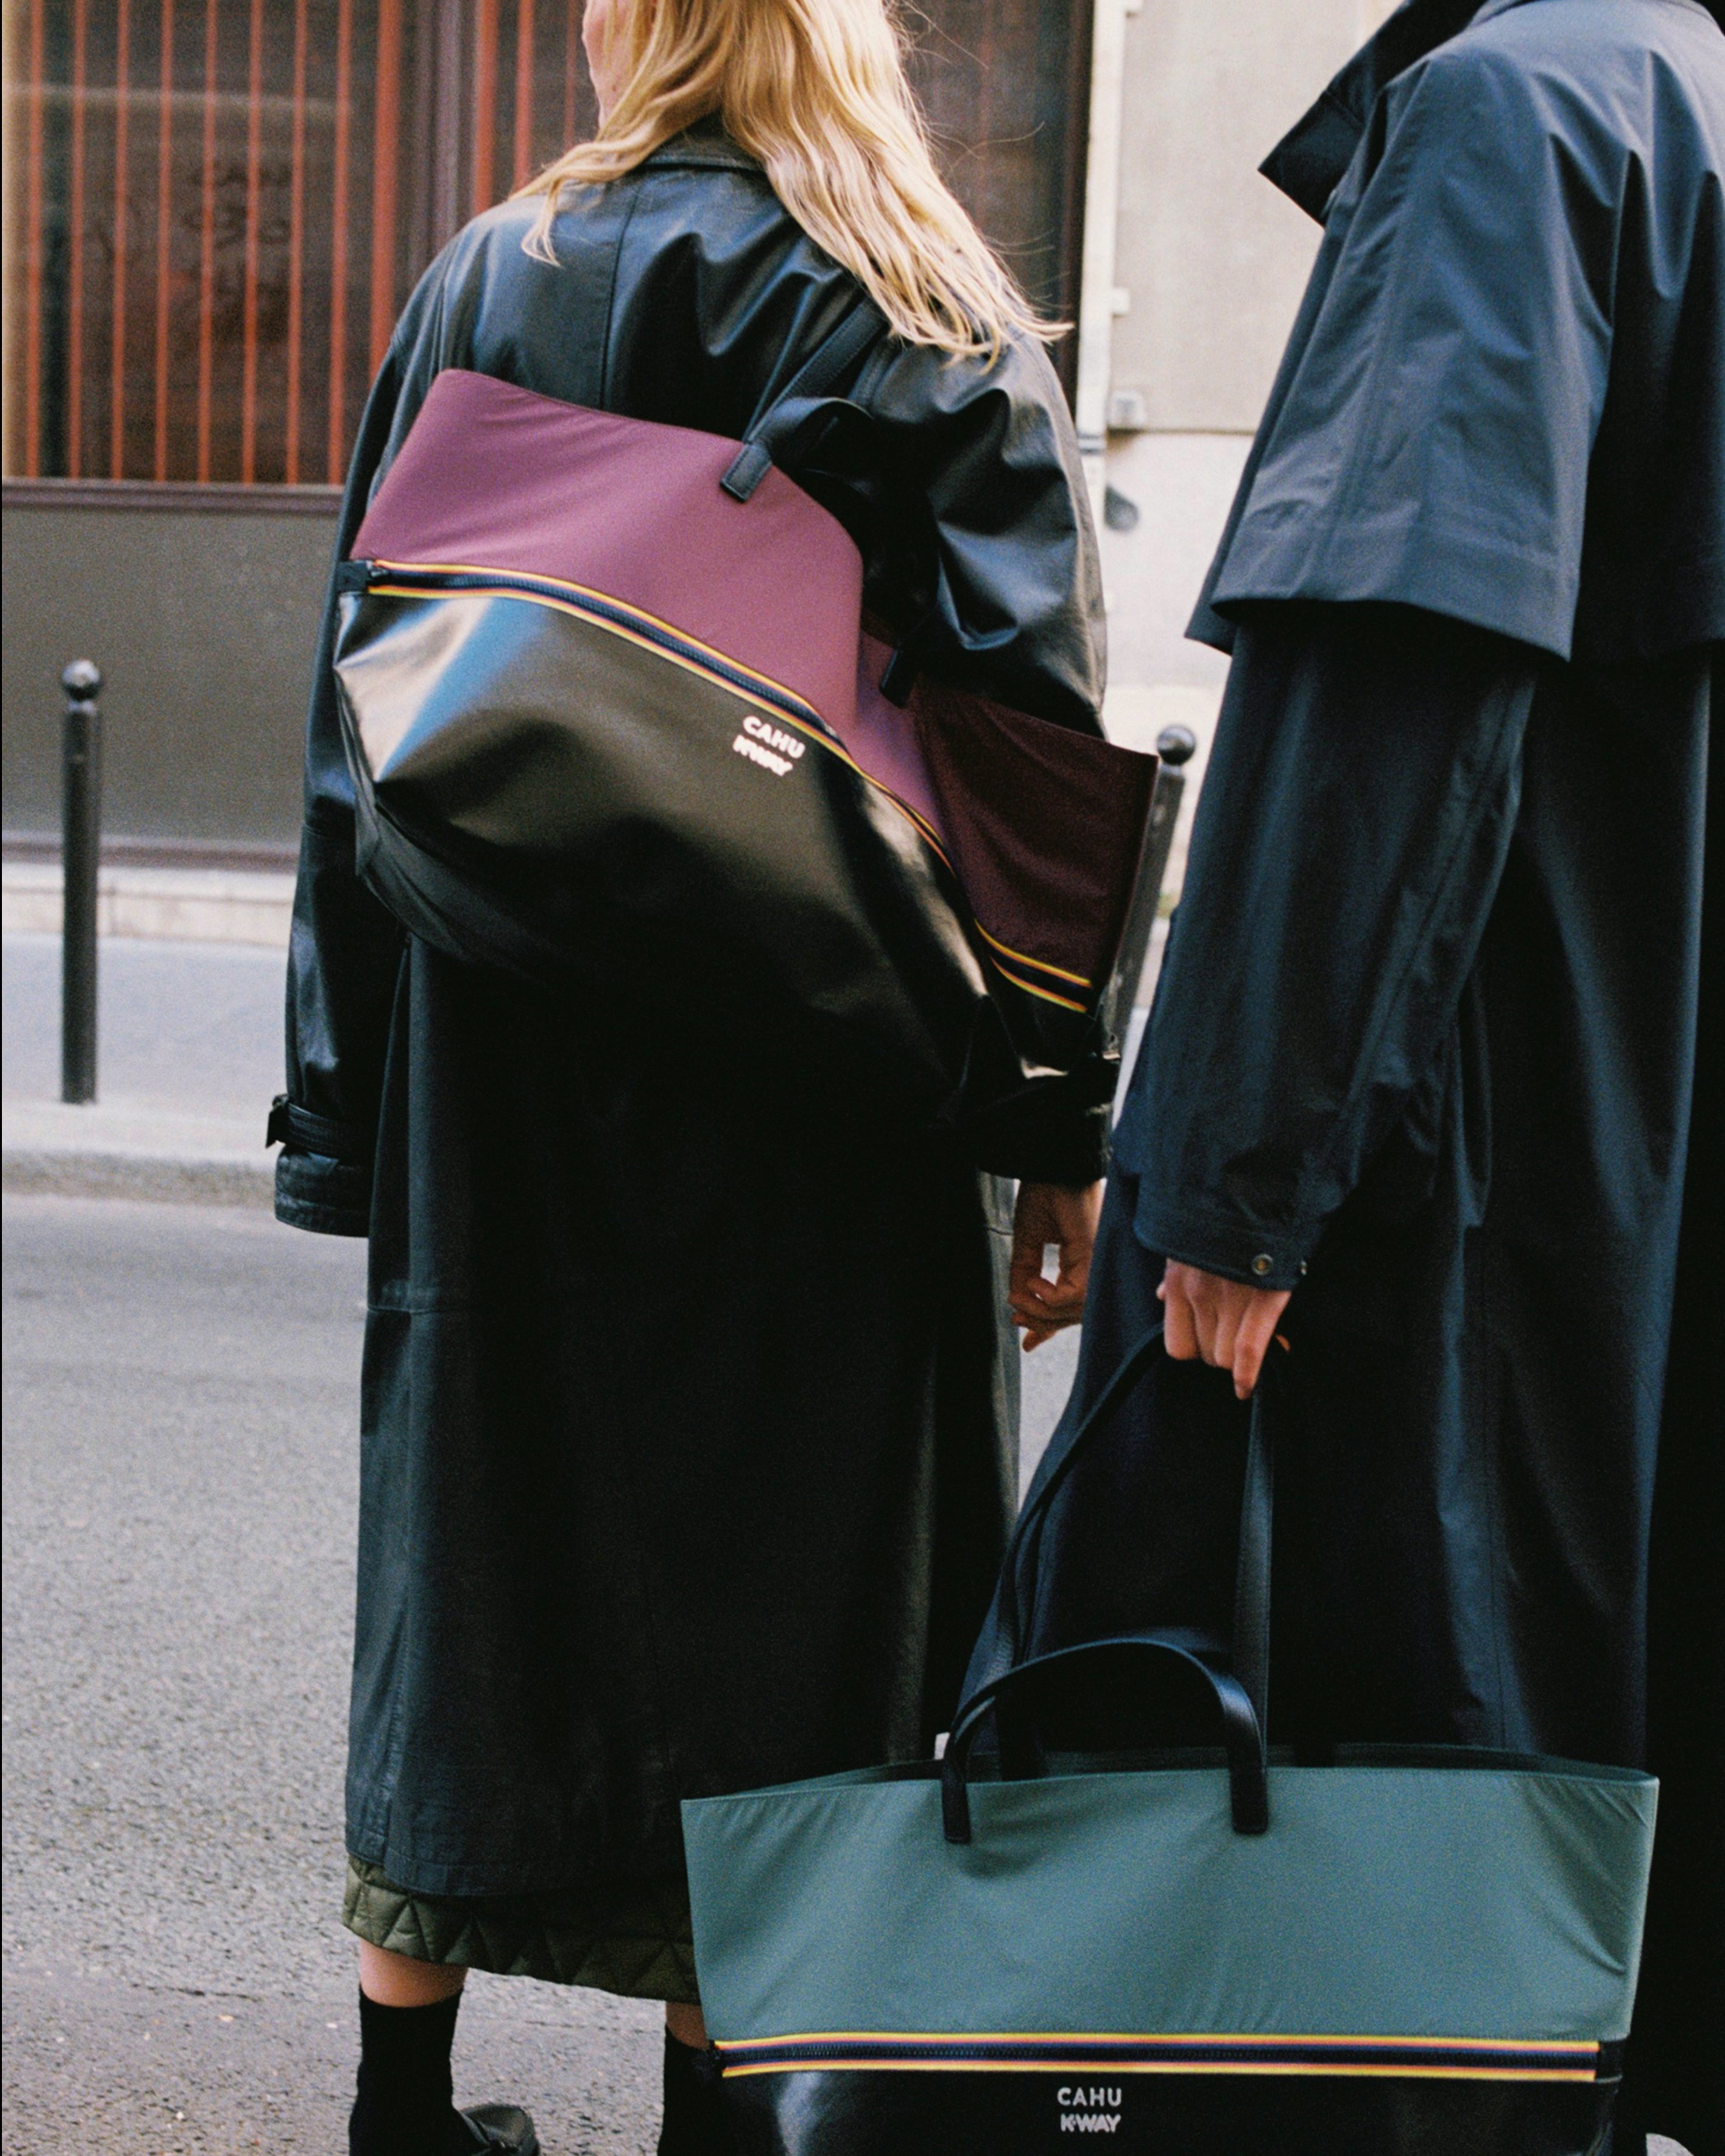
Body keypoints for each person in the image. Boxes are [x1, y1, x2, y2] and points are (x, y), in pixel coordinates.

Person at [269, 0, 1110, 2147]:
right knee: (793, 1612)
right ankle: (716, 2120)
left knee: (480, 1558)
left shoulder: (493, 274)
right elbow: (1025, 765)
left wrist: (341, 1104)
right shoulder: (929, 312)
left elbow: (362, 699)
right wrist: (1053, 1125)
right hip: (824, 1076)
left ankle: (399, 2107)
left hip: (507, 1056)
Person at [977, 2, 1723, 2151]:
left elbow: (1393, 664)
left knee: (1331, 1759)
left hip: (1444, 1132)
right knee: (1548, 1764)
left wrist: (1240, 1173)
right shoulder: (1672, 93)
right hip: (1621, 1099)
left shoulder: (1511, 114)